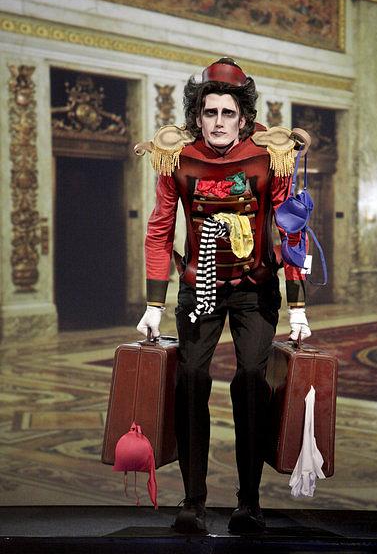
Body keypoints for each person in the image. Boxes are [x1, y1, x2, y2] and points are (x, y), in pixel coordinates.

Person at [136, 58, 311, 534]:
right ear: (197, 116)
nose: (217, 122)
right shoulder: (176, 157)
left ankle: (249, 502)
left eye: (227, 113)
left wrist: (298, 307)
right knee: (191, 378)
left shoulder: (271, 156)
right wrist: (153, 305)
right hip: (199, 287)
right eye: (209, 112)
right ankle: (193, 500)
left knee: (251, 379)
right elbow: (159, 230)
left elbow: (291, 231)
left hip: (255, 288)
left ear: (243, 117)